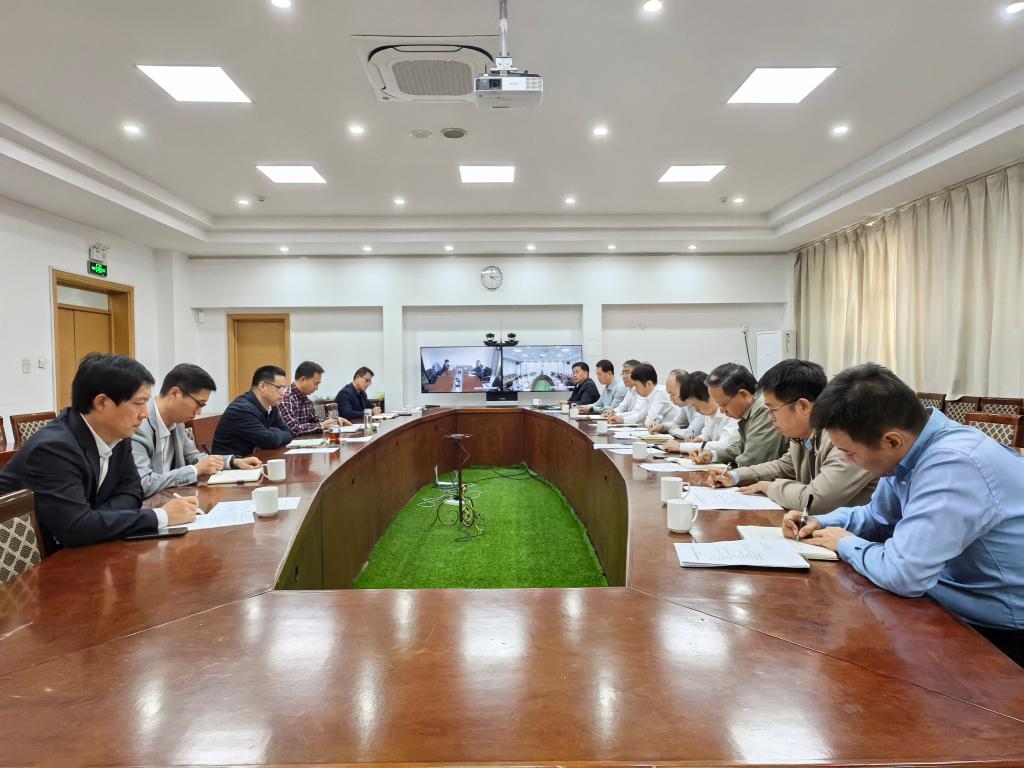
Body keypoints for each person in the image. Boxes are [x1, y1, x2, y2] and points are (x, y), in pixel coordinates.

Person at [783, 363, 1024, 668]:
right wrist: (824, 522)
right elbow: (878, 516)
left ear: (892, 440)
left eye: (850, 452)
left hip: (1000, 636)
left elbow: (904, 575)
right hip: (946, 604)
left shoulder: (954, 464)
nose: (846, 460)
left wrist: (844, 543)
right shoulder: (909, 452)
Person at [0, 353, 197, 551]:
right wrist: (160, 516)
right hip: (26, 560)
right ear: (102, 402)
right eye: (139, 403)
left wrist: (94, 518)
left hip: (80, 547)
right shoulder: (54, 448)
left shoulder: (118, 434)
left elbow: (133, 491)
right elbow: (76, 528)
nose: (145, 413)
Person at [708, 359, 876, 514]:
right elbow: (784, 466)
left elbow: (815, 501)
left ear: (803, 406)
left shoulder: (845, 439)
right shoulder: (801, 434)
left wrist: (770, 487)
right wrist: (736, 476)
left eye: (773, 410)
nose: (771, 418)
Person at [132, 363, 262, 498]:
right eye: (199, 404)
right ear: (175, 393)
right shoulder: (138, 425)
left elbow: (194, 457)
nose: (199, 412)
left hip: (174, 497)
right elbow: (144, 483)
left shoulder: (178, 422)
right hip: (149, 504)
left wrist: (233, 462)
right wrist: (194, 470)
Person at [693, 363, 788, 467]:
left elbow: (753, 460)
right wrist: (712, 455)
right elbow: (743, 446)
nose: (722, 411)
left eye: (723, 404)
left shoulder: (763, 409)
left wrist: (730, 469)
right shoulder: (750, 408)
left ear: (744, 395)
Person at [212, 366, 294, 456]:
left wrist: (273, 434)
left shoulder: (272, 406)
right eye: (280, 388)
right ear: (262, 386)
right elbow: (269, 441)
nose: (283, 393)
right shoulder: (241, 409)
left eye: (284, 389)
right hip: (233, 462)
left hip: (254, 458)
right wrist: (275, 434)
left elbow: (289, 433)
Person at [663, 371, 740, 456]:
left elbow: (724, 446)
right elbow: (707, 434)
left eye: (695, 405)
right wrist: (699, 439)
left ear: (709, 395)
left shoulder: (731, 411)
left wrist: (680, 446)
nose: (696, 410)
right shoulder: (709, 411)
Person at [279, 361, 345, 435]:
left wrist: (334, 421)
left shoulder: (306, 399)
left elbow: (316, 421)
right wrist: (321, 426)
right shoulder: (286, 397)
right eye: (315, 383)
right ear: (303, 379)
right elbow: (294, 429)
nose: (317, 388)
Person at [609, 363, 674, 428]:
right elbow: (640, 416)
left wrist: (643, 421)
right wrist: (622, 420)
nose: (635, 389)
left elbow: (649, 422)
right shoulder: (650, 395)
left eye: (636, 386)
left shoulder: (660, 393)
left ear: (648, 384)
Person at [654, 368, 704, 437]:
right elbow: (677, 423)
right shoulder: (686, 405)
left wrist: (673, 431)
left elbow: (692, 433)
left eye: (672, 394)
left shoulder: (701, 403)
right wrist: (661, 426)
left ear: (683, 388)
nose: (671, 399)